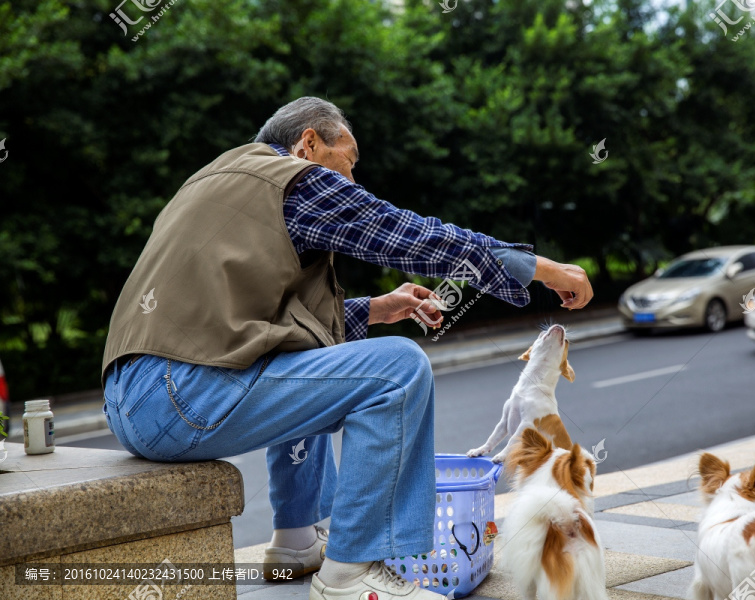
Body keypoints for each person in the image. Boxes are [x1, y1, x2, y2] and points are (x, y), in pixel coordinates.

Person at [101, 97, 593, 600]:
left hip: (134, 399)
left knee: (308, 354)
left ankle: (296, 538)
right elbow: (415, 235)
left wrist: (379, 308)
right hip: (181, 393)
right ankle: (351, 573)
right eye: (349, 160)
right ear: (308, 142)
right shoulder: (294, 177)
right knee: (399, 368)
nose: (351, 180)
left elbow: (252, 324)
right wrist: (543, 270)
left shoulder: (212, 179)